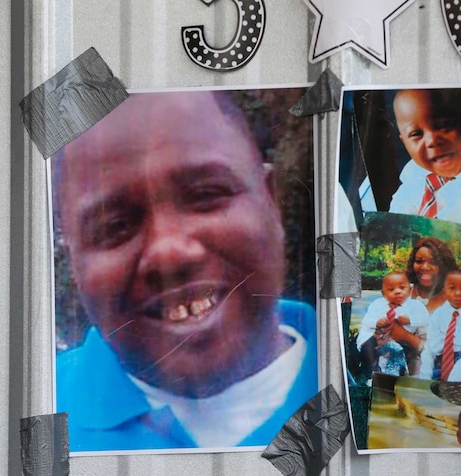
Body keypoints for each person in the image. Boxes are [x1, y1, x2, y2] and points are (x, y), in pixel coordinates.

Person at [52, 91, 318, 451]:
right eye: (113, 226)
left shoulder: (365, 388)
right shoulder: (40, 409)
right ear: (75, 262)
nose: (170, 252)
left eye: (206, 194)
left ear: (271, 203)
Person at [359, 89, 461, 224]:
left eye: (443, 125)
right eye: (416, 134)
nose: (432, 141)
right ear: (404, 142)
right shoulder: (414, 171)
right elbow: (397, 219)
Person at [357, 272, 431, 378]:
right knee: (368, 351)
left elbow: (425, 320)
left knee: (402, 354)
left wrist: (410, 321)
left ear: (409, 290)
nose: (397, 292)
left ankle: (398, 374)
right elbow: (367, 321)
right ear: (384, 293)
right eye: (391, 290)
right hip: (378, 339)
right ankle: (370, 374)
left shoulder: (416, 306)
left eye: (402, 288)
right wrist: (377, 322)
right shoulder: (377, 304)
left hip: (402, 341)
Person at [405, 237, 458, 313]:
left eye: (433, 262)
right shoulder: (401, 292)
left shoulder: (455, 300)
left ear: (444, 265)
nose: (425, 267)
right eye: (419, 261)